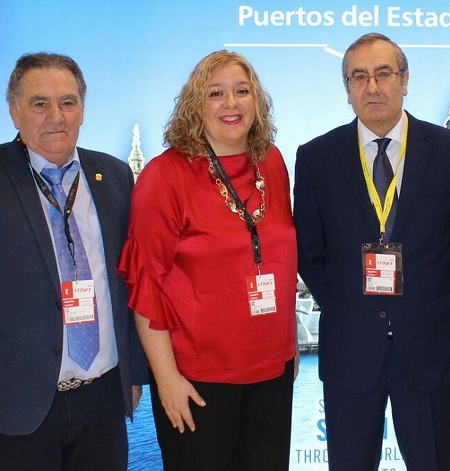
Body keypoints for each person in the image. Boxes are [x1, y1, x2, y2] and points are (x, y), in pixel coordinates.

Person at [0, 52, 147, 470]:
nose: (55, 115)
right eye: (40, 103)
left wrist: (133, 373)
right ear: (14, 112)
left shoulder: (113, 176)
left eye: (68, 102)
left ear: (82, 111)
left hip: (103, 404)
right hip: (13, 410)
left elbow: (128, 284)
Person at [293, 32, 450, 470]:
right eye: (358, 77)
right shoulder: (316, 158)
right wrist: (350, 308)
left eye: (383, 74)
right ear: (346, 89)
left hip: (432, 348)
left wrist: (431, 309)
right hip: (351, 349)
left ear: (405, 80)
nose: (372, 87)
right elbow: (311, 253)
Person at [117, 50, 297, 470]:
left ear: (258, 101)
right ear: (196, 104)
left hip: (272, 376)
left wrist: (285, 354)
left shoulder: (271, 162)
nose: (231, 104)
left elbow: (278, 260)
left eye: (242, 91)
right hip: (197, 384)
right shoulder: (165, 176)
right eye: (216, 93)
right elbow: (146, 286)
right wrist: (165, 378)